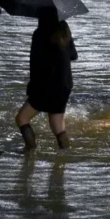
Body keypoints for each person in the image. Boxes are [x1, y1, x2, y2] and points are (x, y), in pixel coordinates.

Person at [15, 13, 78, 150]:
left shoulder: (40, 33)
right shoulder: (64, 29)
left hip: (46, 85)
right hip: (64, 85)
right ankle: (64, 159)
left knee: (22, 119)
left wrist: (32, 88)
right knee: (57, 124)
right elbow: (73, 55)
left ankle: (30, 154)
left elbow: (35, 64)